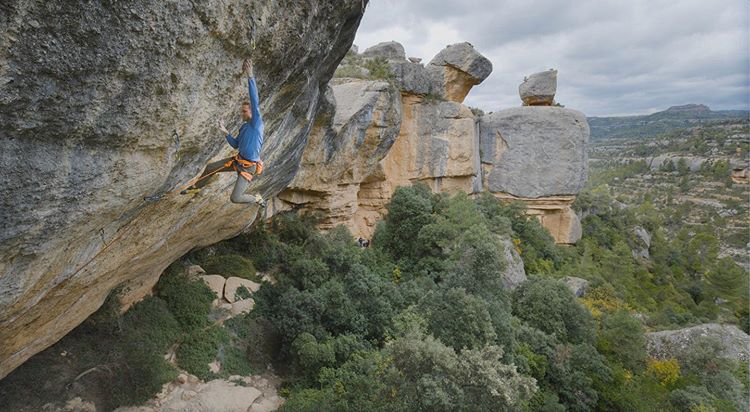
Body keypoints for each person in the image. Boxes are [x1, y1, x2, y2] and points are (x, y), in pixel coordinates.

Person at [181, 58, 265, 206]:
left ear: (252, 112)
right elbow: (236, 145)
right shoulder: (244, 127)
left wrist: (250, 75)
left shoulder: (256, 124)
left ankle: (256, 199)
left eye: (244, 111)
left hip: (249, 167)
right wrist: (225, 131)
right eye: (242, 111)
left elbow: (255, 101)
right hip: (238, 161)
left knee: (235, 198)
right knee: (211, 167)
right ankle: (195, 188)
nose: (242, 113)